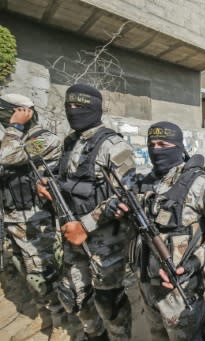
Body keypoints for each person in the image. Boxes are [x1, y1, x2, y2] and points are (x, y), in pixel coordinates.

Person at [37, 84, 136, 341]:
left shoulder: (114, 145)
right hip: (70, 234)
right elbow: (63, 181)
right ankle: (94, 335)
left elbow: (126, 197)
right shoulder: (70, 142)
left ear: (94, 108)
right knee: (75, 295)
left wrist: (85, 225)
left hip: (105, 241)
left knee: (109, 301)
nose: (73, 111)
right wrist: (48, 189)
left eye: (79, 107)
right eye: (69, 106)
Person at [130, 121, 205, 340]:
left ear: (177, 146)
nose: (156, 149)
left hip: (180, 288)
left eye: (163, 143)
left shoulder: (202, 183)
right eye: (152, 144)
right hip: (147, 284)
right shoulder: (144, 183)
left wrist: (195, 261)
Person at [0, 93, 70, 340]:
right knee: (26, 271)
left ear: (24, 112)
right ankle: (46, 316)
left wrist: (15, 126)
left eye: (10, 113)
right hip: (12, 216)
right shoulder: (13, 139)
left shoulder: (44, 140)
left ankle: (62, 322)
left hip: (36, 220)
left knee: (43, 273)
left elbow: (7, 156)